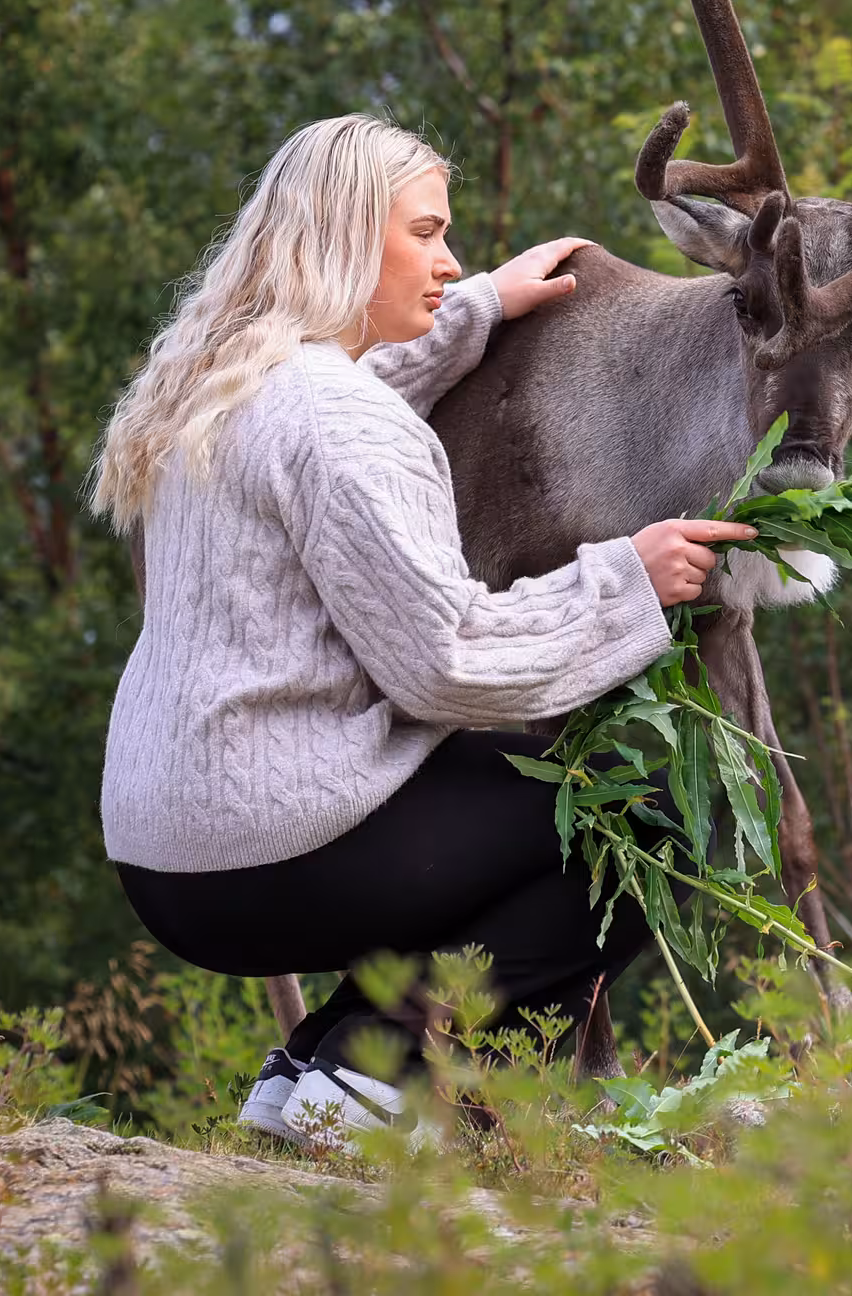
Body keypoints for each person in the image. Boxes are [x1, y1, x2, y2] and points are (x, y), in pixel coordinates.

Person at [89, 114, 754, 1146]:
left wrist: (480, 305)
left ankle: (315, 1072)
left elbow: (334, 415)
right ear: (349, 237)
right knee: (642, 817)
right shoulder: (337, 422)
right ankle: (377, 1087)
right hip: (260, 857)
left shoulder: (217, 386)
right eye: (428, 234)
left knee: (482, 800)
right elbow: (443, 665)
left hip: (168, 851)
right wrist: (630, 579)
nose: (450, 259)